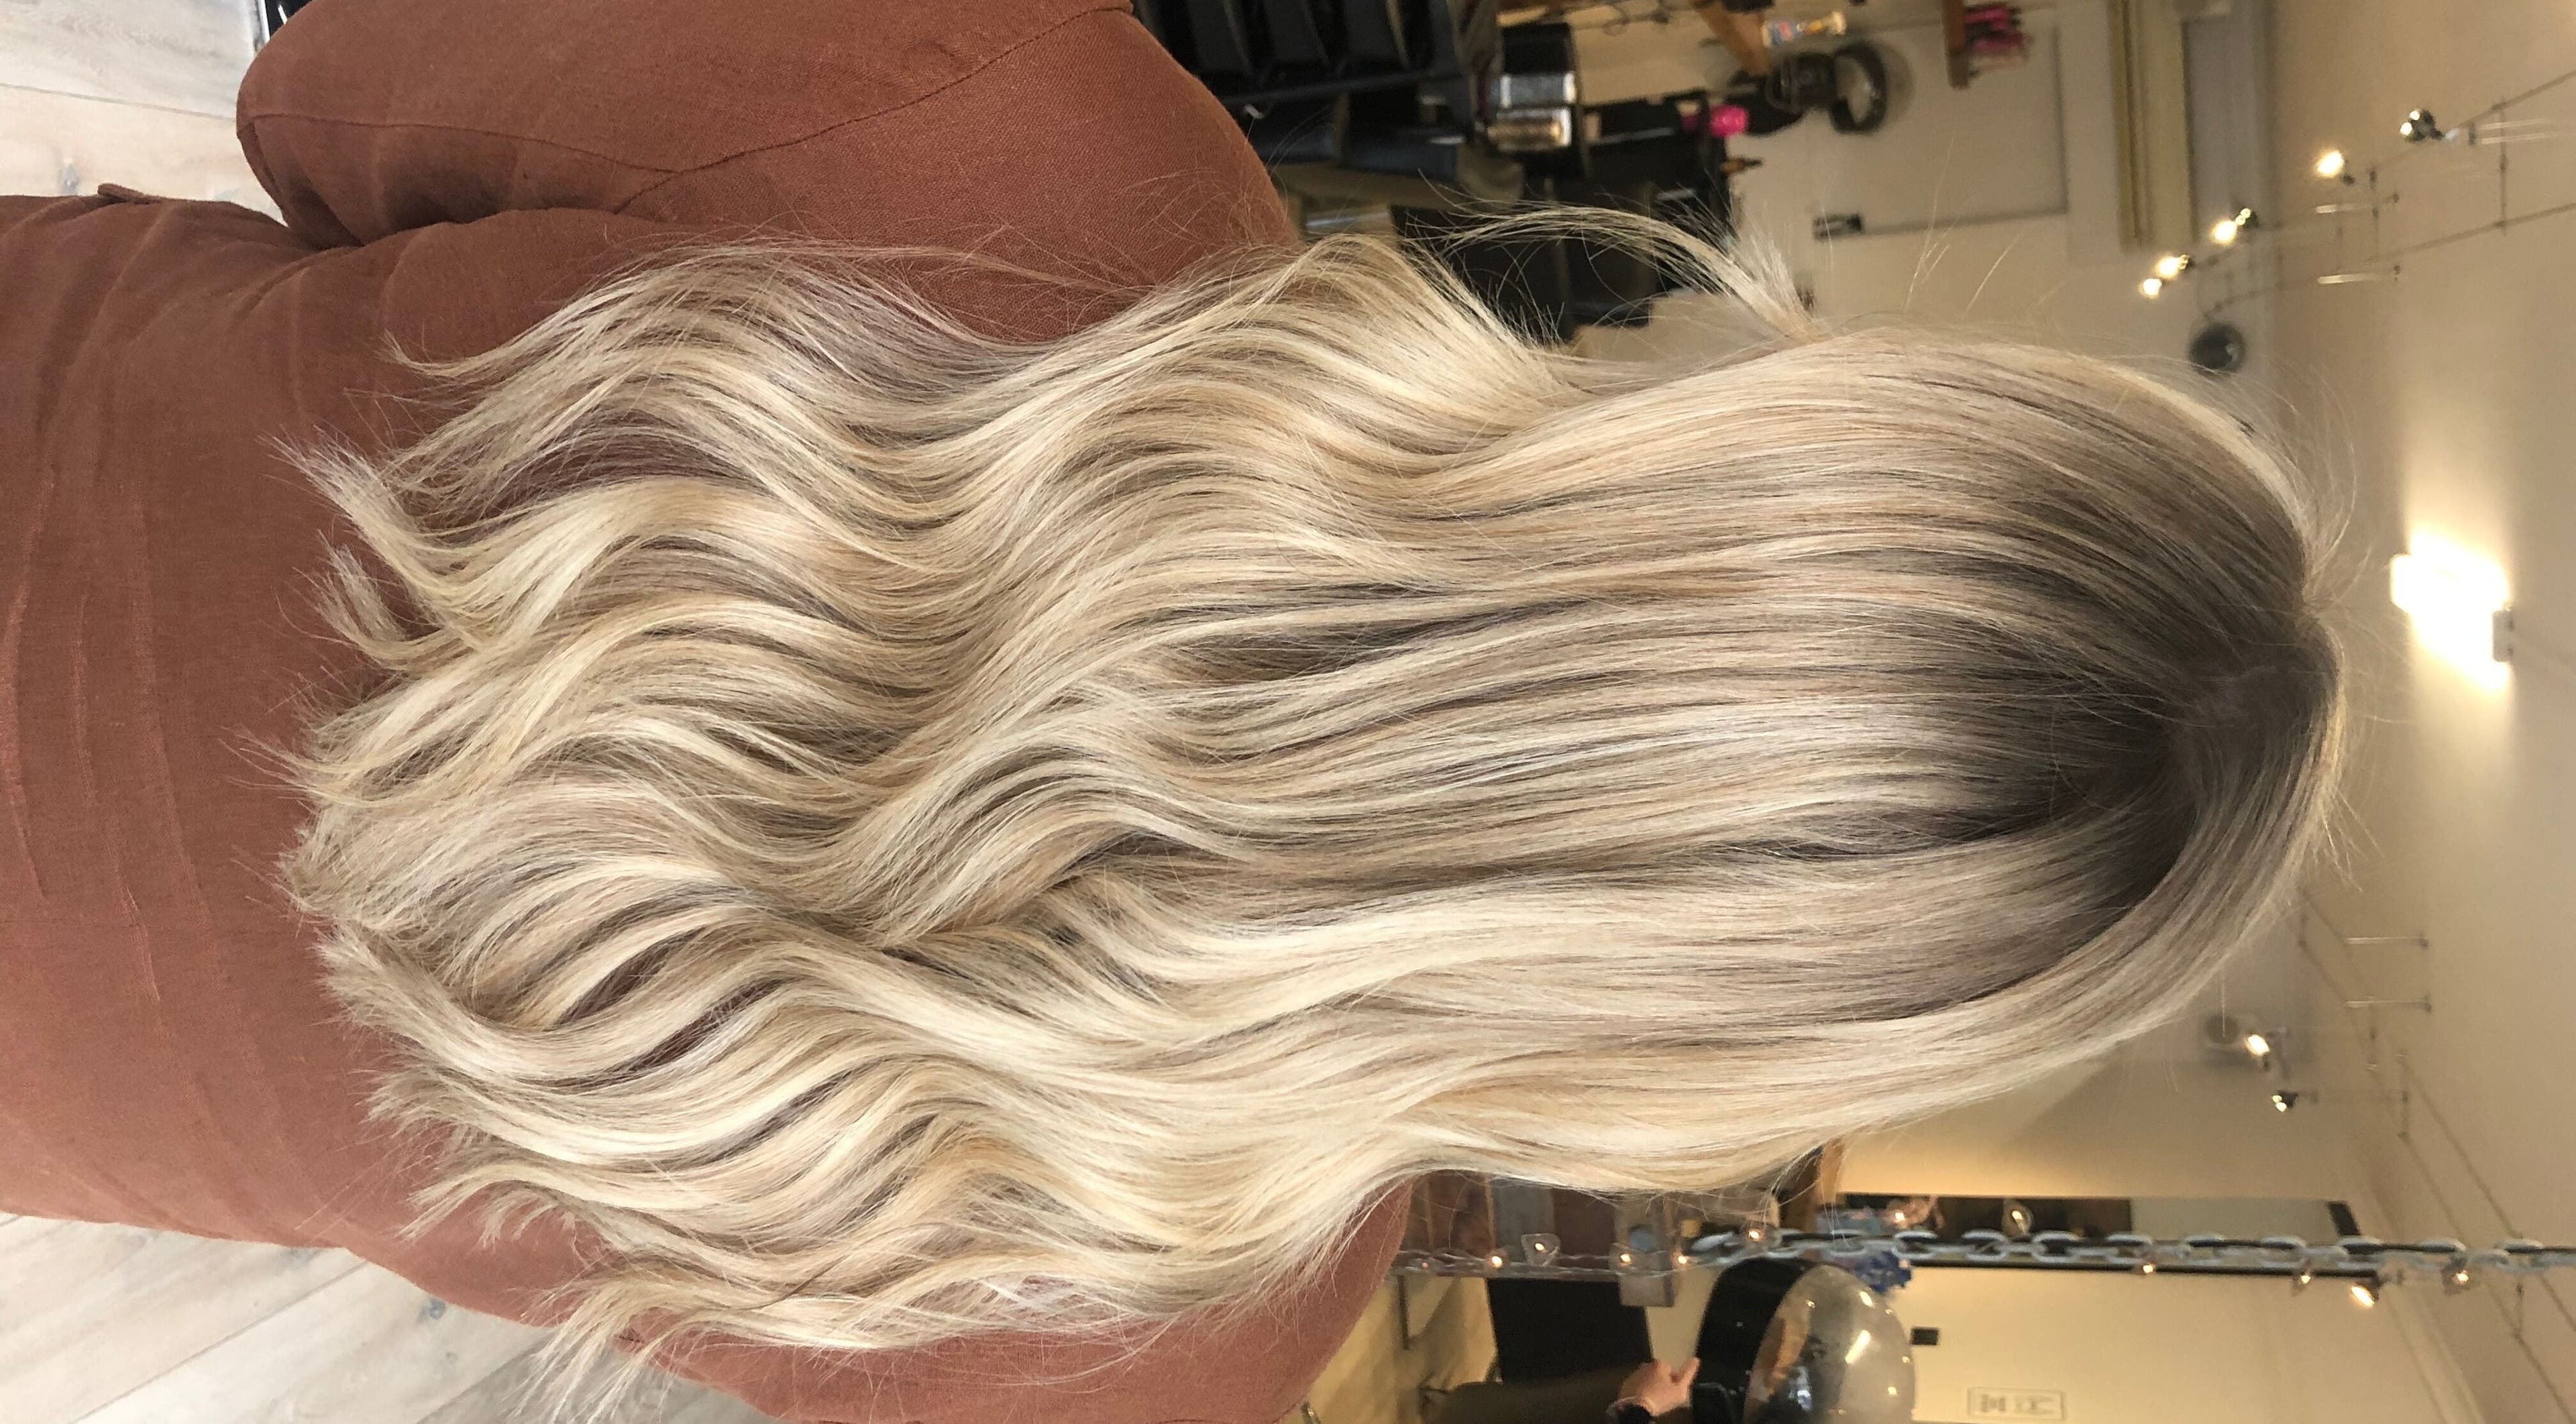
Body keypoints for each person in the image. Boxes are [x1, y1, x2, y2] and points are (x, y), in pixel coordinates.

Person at [0, 2, 2342, 1421]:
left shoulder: (1015, 146)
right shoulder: (1157, 1335)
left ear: (1772, 439)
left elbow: (324, 94)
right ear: (1737, 1030)